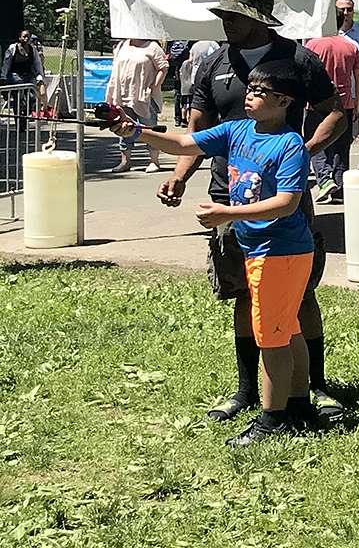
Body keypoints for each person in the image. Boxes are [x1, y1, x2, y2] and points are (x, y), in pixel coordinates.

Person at [157, 0, 348, 423]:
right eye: (223, 15)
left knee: (298, 295)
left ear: (258, 19)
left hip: (283, 198)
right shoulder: (214, 61)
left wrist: (300, 155)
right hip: (228, 194)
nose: (225, 23)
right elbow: (196, 128)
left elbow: (335, 112)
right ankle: (248, 389)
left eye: (234, 16)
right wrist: (180, 175)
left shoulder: (297, 59)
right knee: (243, 291)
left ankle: (311, 387)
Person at [111, 60, 316, 446]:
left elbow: (287, 203)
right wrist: (137, 131)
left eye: (260, 92)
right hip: (262, 250)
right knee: (286, 330)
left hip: (281, 251)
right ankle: (299, 403)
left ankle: (272, 420)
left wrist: (228, 213)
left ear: (284, 101)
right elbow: (185, 143)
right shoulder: (238, 130)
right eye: (250, 88)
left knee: (271, 337)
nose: (250, 95)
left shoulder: (288, 144)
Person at [305, 9, 359, 204]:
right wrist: (358, 103)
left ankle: (325, 179)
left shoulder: (311, 45)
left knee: (315, 142)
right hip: (344, 102)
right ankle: (339, 185)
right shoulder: (351, 46)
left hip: (316, 104)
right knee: (341, 146)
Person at [105, 39, 168, 173]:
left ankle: (154, 161)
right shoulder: (122, 45)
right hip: (122, 95)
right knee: (123, 128)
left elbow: (163, 67)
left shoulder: (152, 46)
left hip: (144, 96)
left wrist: (154, 86)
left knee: (150, 128)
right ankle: (125, 161)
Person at [1, 29, 47, 111]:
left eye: (28, 37)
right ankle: (19, 106)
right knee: (19, 86)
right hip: (14, 76)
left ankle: (28, 111)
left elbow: (37, 65)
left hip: (27, 76)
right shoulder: (12, 48)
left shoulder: (33, 50)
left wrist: (40, 79)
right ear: (19, 38)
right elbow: (6, 64)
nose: (26, 39)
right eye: (24, 37)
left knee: (32, 96)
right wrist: (3, 78)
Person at [179, 40, 220, 127]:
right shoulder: (213, 44)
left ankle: (195, 123)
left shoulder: (195, 45)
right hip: (210, 74)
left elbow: (190, 60)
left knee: (198, 101)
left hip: (196, 75)